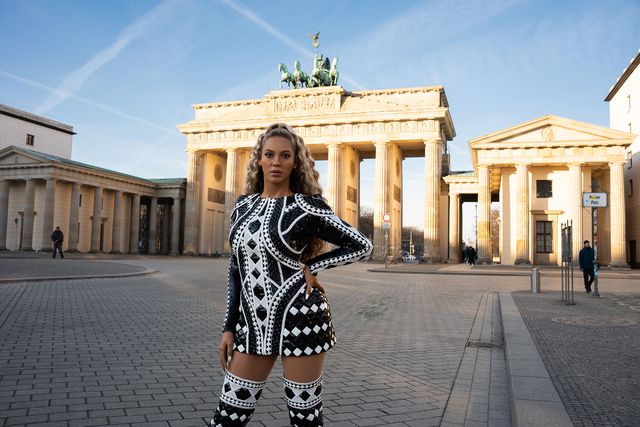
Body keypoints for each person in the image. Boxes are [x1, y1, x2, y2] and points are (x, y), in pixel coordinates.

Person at [211, 123, 373, 427]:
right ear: (258, 158)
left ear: (295, 161)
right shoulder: (242, 207)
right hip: (251, 327)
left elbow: (361, 245)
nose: (276, 162)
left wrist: (314, 266)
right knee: (227, 418)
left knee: (305, 419)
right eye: (269, 154)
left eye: (285, 156)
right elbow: (236, 269)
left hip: (304, 321)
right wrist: (228, 327)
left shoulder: (306, 206)